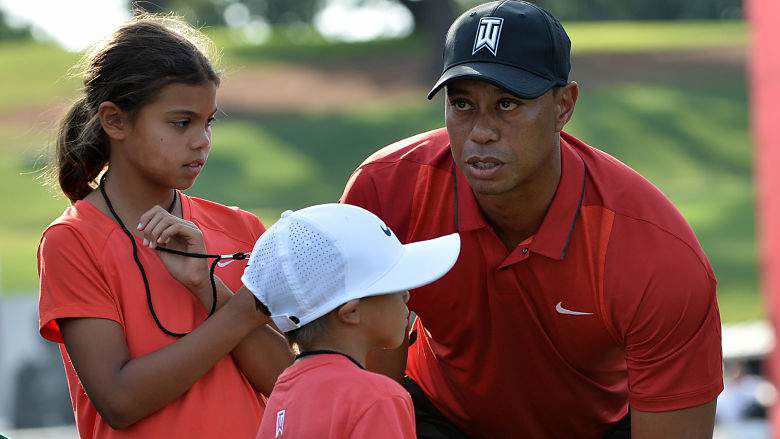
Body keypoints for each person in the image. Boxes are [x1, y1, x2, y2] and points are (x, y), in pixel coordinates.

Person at [340, 1, 723, 438]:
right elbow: (364, 391)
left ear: (564, 105)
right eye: (462, 104)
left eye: (507, 104)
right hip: (438, 419)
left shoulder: (655, 256)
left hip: (593, 429)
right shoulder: (385, 191)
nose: (481, 131)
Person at [37, 15, 293, 438]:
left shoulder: (241, 228)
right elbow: (120, 400)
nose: (202, 140)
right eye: (181, 122)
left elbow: (286, 384)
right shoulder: (72, 241)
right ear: (115, 121)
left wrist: (207, 288)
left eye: (208, 122)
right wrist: (241, 312)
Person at [245, 204, 460, 438]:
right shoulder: (379, 398)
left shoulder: (284, 392)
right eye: (393, 284)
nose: (406, 294)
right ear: (351, 312)